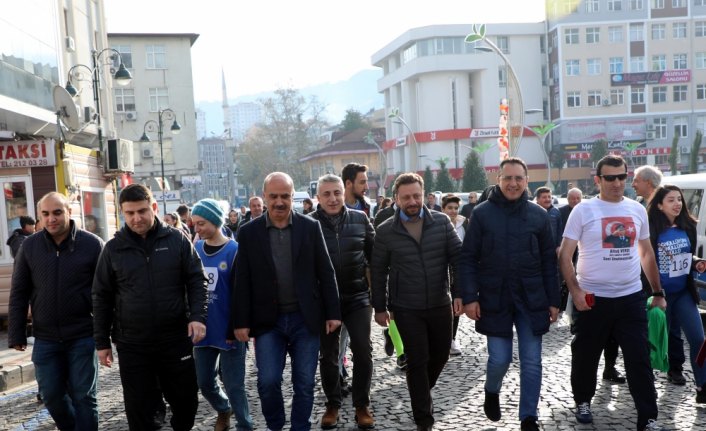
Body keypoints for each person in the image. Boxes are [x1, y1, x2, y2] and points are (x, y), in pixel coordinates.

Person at [559, 154, 667, 431]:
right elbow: (565, 255)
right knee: (585, 355)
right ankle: (583, 400)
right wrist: (576, 291)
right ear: (598, 180)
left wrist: (657, 291)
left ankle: (648, 417)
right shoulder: (583, 210)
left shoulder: (636, 209)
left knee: (639, 360)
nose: (617, 183)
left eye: (622, 177)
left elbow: (646, 252)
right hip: (593, 299)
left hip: (630, 298)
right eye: (610, 178)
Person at [92, 184, 208, 431]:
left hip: (175, 339)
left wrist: (197, 317)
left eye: (142, 211)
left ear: (154, 207)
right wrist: (101, 342)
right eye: (130, 213)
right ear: (122, 213)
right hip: (133, 343)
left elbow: (196, 279)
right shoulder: (113, 249)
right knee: (139, 410)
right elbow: (101, 295)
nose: (137, 218)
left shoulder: (176, 239)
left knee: (186, 401)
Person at [232, 172, 341, 431]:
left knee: (304, 381)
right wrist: (240, 322)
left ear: (293, 197)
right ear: (265, 197)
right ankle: (276, 425)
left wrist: (333, 312)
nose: (279, 202)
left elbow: (326, 271)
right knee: (268, 381)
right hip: (268, 321)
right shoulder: (248, 233)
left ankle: (300, 427)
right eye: (274, 196)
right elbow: (241, 280)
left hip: (306, 319)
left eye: (285, 196)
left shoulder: (309, 228)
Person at [459, 157, 560, 431]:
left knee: (531, 361)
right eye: (508, 178)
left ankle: (529, 417)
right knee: (499, 359)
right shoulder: (481, 213)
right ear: (498, 180)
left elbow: (549, 262)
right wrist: (470, 297)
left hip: (532, 298)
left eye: (519, 178)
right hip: (495, 298)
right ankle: (491, 391)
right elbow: (467, 258)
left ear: (527, 181)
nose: (513, 183)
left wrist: (554, 300)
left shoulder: (538, 215)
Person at [371, 172, 462, 431]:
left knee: (441, 354)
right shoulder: (385, 231)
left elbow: (458, 259)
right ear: (396, 199)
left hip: (439, 302)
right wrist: (380, 307)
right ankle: (424, 418)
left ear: (423, 195)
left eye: (416, 196)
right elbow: (378, 271)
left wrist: (459, 293)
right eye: (406, 197)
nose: (412, 201)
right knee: (417, 359)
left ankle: (421, 390)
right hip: (405, 306)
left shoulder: (442, 223)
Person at [8, 192, 104, 430]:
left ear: (69, 212)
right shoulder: (30, 247)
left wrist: (106, 334)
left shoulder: (92, 245)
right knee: (51, 395)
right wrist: (16, 334)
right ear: (40, 217)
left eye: (57, 212)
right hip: (46, 338)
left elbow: (107, 293)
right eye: (46, 214)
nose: (52, 218)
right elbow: (19, 291)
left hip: (83, 335)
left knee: (84, 397)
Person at [311, 174, 376, 429]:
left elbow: (376, 259)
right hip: (325, 303)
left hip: (358, 297)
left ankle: (361, 404)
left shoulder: (360, 219)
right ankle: (333, 403)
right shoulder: (309, 224)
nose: (333, 198)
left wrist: (379, 296)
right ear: (318, 198)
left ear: (343, 192)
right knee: (328, 355)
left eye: (337, 193)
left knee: (363, 350)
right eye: (326, 194)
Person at [190, 199, 253, 431]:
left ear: (216, 221)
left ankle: (245, 425)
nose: (197, 229)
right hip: (204, 330)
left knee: (235, 385)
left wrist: (236, 327)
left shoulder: (234, 251)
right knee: (205, 382)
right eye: (194, 224)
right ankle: (223, 409)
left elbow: (242, 294)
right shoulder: (195, 250)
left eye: (202, 223)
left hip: (230, 331)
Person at [647, 185, 706, 403]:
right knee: (653, 343)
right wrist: (654, 293)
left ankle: (703, 387)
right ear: (660, 205)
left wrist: (696, 262)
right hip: (657, 296)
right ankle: (646, 390)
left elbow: (685, 258)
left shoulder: (687, 226)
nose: (678, 203)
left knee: (699, 340)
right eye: (671, 200)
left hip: (683, 293)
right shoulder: (651, 229)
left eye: (679, 199)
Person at [441, 194, 468, 356]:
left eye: (455, 208)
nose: (453, 211)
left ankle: (452, 338)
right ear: (443, 209)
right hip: (442, 270)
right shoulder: (436, 223)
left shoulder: (464, 224)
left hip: (458, 269)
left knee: (456, 304)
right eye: (450, 208)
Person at [534, 186, 562, 251]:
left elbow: (559, 231)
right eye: (544, 197)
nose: (547, 199)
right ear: (537, 199)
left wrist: (559, 246)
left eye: (549, 197)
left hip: (552, 250)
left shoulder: (556, 212)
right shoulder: (532, 212)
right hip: (537, 251)